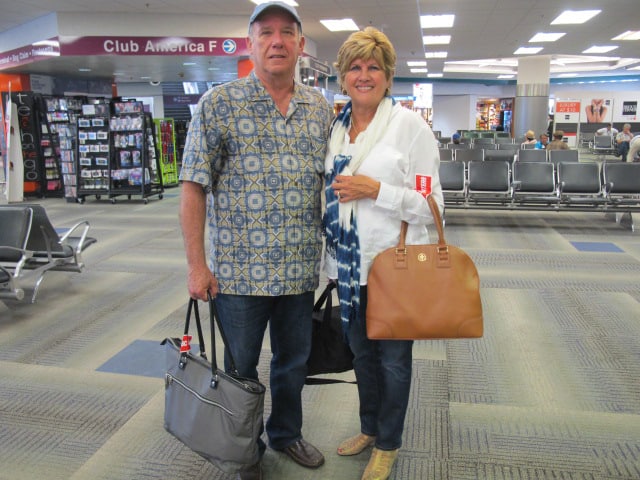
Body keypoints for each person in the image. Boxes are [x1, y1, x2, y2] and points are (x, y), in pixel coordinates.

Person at [178, 2, 333, 479]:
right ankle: (244, 448)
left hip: (299, 269)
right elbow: (192, 186)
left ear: (302, 46)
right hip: (238, 273)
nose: (277, 41)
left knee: (293, 363)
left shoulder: (320, 109)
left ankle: (286, 434)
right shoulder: (218, 103)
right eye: (265, 33)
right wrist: (196, 265)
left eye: (287, 33)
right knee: (240, 368)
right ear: (251, 44)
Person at [323, 27, 443, 480]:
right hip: (349, 270)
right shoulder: (337, 129)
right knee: (361, 357)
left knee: (393, 361)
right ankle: (370, 428)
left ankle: (389, 443)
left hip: (395, 268)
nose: (364, 75)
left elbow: (433, 207)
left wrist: (377, 190)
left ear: (389, 77)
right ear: (343, 76)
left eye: (374, 67)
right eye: (355, 67)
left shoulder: (410, 128)